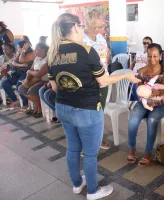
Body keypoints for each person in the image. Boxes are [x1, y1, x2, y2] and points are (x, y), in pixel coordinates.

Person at [47, 13, 140, 200]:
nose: (83, 31)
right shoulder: (86, 51)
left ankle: (76, 184)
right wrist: (126, 75)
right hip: (87, 109)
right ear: (75, 27)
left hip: (63, 107)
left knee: (73, 148)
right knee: (90, 153)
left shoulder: (52, 52)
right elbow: (104, 81)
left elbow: (55, 87)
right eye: (81, 27)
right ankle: (93, 191)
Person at [127, 43, 164, 167]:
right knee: (133, 121)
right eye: (150, 56)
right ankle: (132, 148)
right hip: (143, 103)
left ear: (161, 56)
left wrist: (150, 92)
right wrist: (146, 93)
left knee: (152, 121)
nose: (152, 59)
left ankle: (148, 153)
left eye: (155, 56)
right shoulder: (141, 71)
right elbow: (139, 90)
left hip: (159, 105)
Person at [83, 8, 111, 150]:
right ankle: (87, 144)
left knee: (99, 114)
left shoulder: (100, 38)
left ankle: (98, 140)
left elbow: (106, 54)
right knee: (88, 115)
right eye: (96, 26)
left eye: (101, 26)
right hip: (88, 84)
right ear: (87, 23)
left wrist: (105, 58)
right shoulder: (81, 39)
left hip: (103, 81)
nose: (99, 30)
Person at [2, 40, 35, 111]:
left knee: (19, 85)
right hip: (17, 74)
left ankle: (25, 104)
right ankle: (15, 100)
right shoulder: (19, 53)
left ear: (24, 48)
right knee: (5, 83)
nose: (17, 49)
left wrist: (22, 53)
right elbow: (14, 62)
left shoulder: (31, 54)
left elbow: (22, 61)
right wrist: (21, 64)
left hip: (26, 75)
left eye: (18, 47)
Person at [18, 43, 49, 118]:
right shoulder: (37, 58)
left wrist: (30, 72)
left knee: (32, 90)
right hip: (34, 79)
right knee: (21, 88)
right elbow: (31, 69)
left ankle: (40, 109)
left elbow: (39, 74)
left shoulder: (48, 59)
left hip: (44, 81)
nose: (35, 51)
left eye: (37, 49)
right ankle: (37, 106)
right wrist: (27, 79)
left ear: (43, 50)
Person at [130, 36, 153, 101]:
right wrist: (130, 71)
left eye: (148, 43)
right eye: (144, 43)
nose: (146, 45)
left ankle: (139, 101)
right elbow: (133, 63)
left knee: (136, 83)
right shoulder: (138, 53)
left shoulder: (152, 55)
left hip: (144, 75)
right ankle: (134, 100)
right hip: (135, 73)